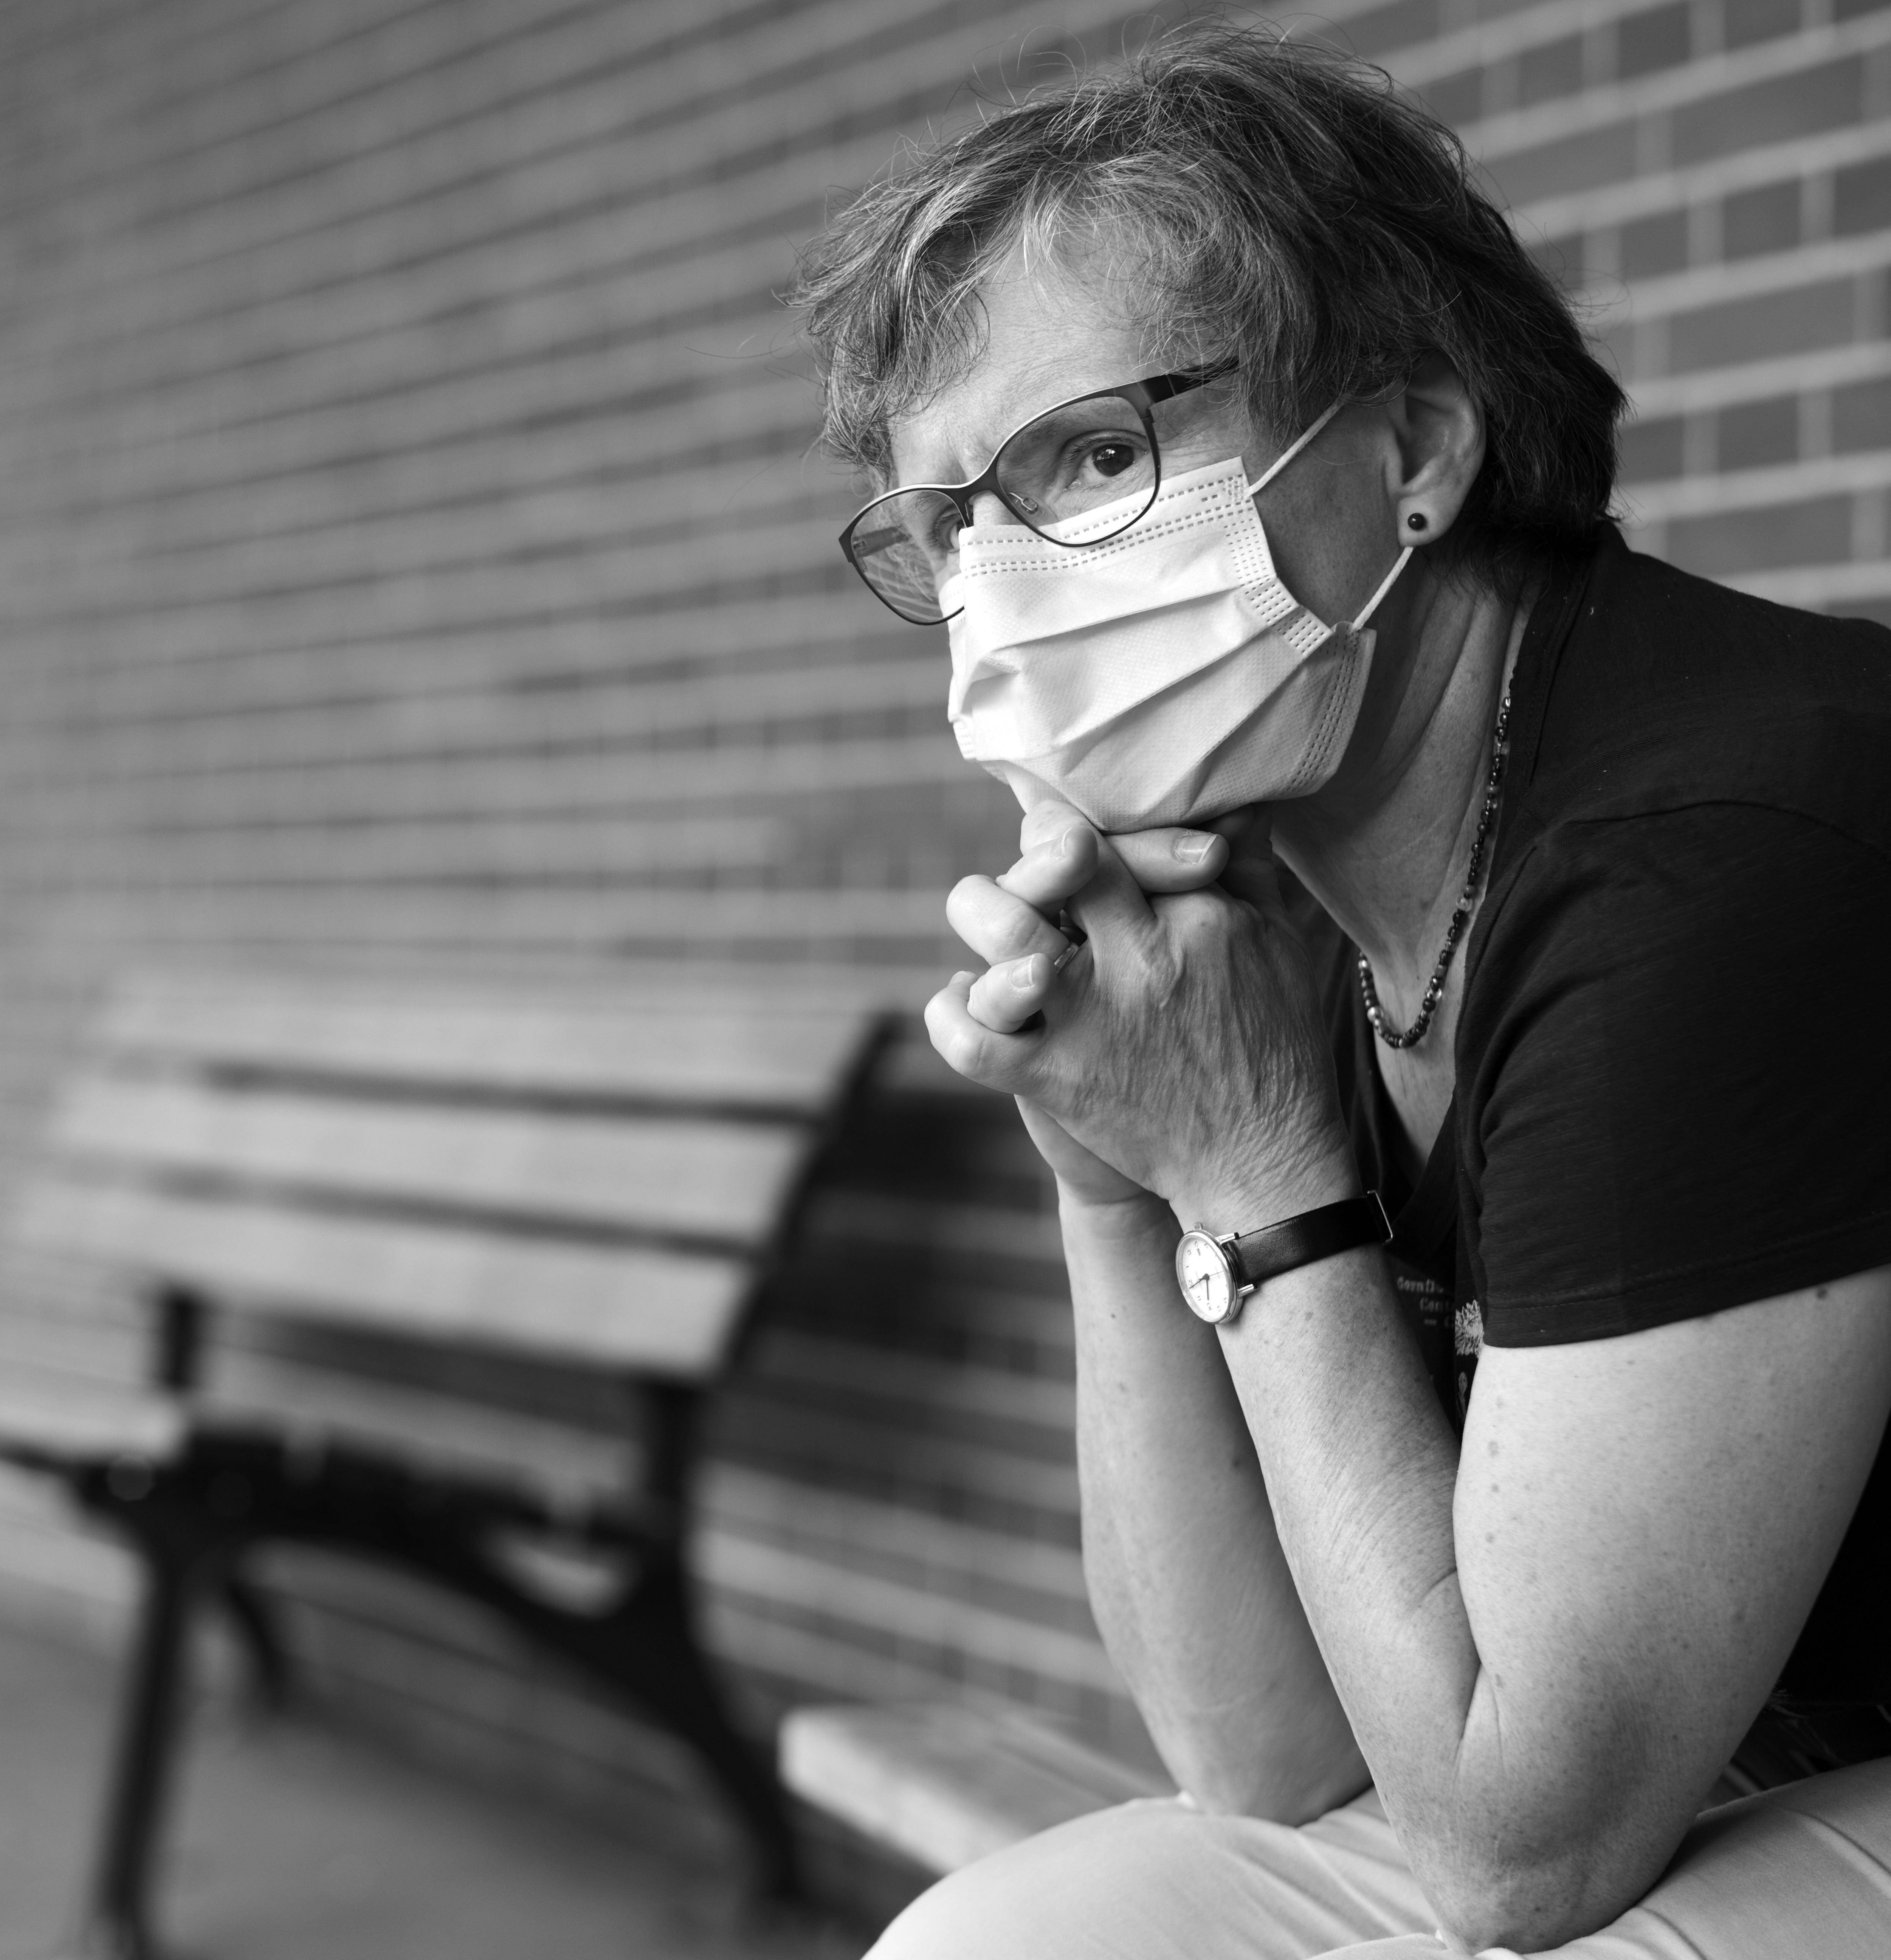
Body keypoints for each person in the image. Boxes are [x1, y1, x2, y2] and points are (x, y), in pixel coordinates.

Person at [790, 23, 1891, 1958]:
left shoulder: (1703, 857)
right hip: (1714, 1770)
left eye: (1097, 459)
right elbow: (1254, 1746)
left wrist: (1247, 1176)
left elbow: (1516, 1856)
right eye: (950, 522)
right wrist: (1112, 1174)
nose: (1003, 586)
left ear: (1410, 452)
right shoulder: (1292, 864)